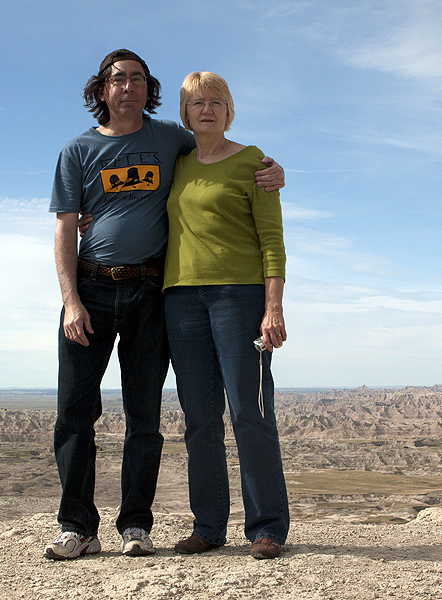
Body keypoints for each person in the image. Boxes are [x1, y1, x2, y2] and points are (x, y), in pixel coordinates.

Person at [44, 50, 286, 560]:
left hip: (175, 294)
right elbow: (67, 225)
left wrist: (274, 170)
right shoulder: (90, 151)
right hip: (123, 291)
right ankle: (92, 527)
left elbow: (256, 208)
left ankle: (161, 525)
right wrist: (70, 297)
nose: (127, 87)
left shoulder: (194, 147)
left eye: (137, 79)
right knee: (93, 414)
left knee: (171, 416)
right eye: (117, 80)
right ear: (102, 90)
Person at [163, 71, 290, 559]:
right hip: (180, 299)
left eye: (217, 101)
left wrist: (272, 305)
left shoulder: (254, 162)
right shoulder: (177, 163)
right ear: (186, 113)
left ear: (229, 109)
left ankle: (267, 527)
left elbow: (272, 241)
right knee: (199, 418)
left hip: (239, 298)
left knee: (249, 411)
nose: (207, 109)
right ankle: (208, 525)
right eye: (197, 103)